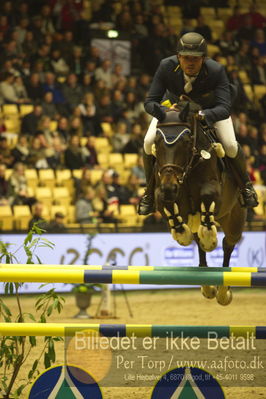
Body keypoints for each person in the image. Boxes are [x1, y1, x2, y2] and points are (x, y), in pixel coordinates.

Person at [138, 32, 259, 215]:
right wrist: (168, 114)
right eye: (186, 58)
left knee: (230, 145)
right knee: (148, 142)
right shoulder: (166, 66)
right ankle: (148, 193)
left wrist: (202, 114)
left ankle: (246, 187)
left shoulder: (216, 70)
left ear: (203, 59)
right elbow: (150, 102)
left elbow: (224, 107)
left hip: (209, 111)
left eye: (195, 58)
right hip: (173, 111)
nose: (190, 63)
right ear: (178, 57)